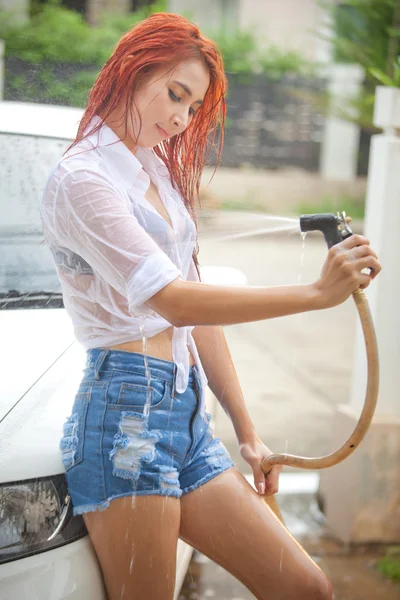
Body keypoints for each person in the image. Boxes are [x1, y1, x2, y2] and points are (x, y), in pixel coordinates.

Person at [40, 12, 381, 600]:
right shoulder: (83, 179)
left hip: (185, 416)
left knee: (307, 589)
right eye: (175, 94)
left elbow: (195, 314)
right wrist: (315, 295)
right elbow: (172, 301)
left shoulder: (155, 174)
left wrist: (248, 433)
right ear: (132, 68)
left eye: (192, 107)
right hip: (126, 421)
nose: (180, 118)